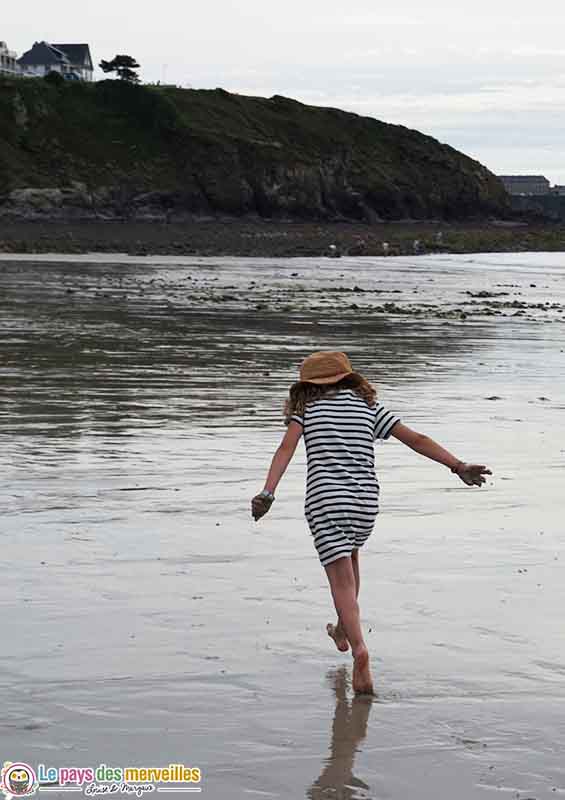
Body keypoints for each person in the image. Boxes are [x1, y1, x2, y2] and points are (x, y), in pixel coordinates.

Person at [251, 351, 492, 694]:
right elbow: (416, 439)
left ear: (306, 386)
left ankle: (360, 649)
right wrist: (457, 466)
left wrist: (268, 493)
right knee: (350, 558)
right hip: (365, 503)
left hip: (326, 500)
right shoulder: (368, 408)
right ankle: (341, 629)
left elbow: (285, 450)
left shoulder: (307, 411)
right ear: (349, 378)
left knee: (341, 582)